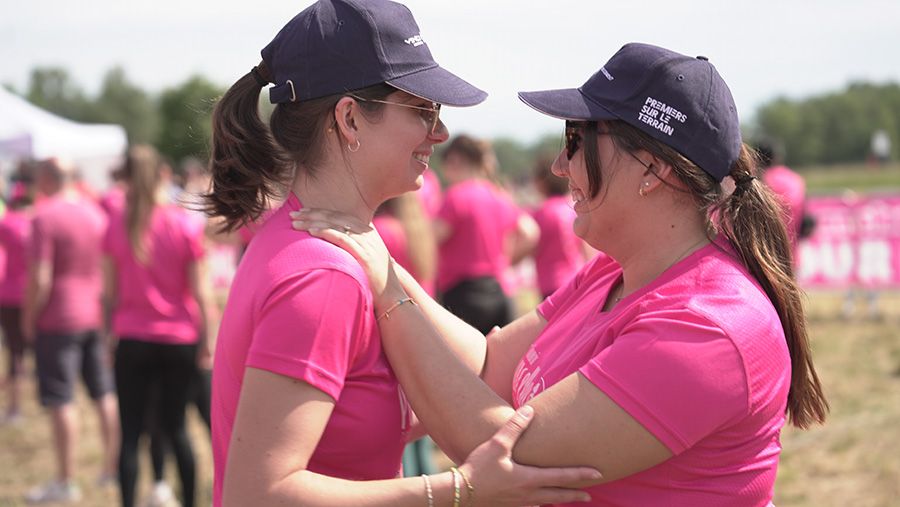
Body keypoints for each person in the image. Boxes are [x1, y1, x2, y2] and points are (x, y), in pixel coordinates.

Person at [293, 42, 830, 506]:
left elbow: (504, 453)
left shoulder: (709, 325)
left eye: (575, 140)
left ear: (653, 169)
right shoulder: (615, 271)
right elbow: (489, 363)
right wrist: (378, 259)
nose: (558, 166)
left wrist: (387, 288)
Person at [203, 1, 598, 506]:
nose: (441, 132)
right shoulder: (325, 273)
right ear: (349, 119)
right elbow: (257, 494)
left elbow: (475, 370)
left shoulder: (322, 249)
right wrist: (461, 490)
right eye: (422, 109)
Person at [102, 145, 213, 507]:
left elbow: (109, 295)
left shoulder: (117, 224)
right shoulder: (182, 223)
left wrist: (107, 338)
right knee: (177, 429)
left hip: (132, 338)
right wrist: (207, 340)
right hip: (178, 339)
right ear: (163, 174)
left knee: (132, 434)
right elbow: (201, 294)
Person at [22, 158, 119, 504]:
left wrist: (28, 316)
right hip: (93, 312)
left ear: (47, 178)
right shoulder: (95, 213)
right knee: (103, 393)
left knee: (61, 399)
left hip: (58, 317)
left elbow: (41, 277)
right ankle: (112, 468)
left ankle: (66, 480)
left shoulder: (45, 217)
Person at [435, 134, 539, 334]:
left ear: (454, 160)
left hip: (462, 294)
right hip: (500, 291)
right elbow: (530, 232)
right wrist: (508, 261)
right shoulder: (499, 195)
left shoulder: (456, 196)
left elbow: (430, 240)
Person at [530, 156, 594, 299]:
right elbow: (587, 251)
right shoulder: (574, 210)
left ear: (542, 183)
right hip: (574, 280)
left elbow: (531, 247)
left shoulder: (539, 214)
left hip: (548, 283)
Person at [0, 175, 34, 425]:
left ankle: (15, 407)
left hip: (10, 295)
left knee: (15, 354)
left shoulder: (7, 223)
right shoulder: (38, 222)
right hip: (33, 295)